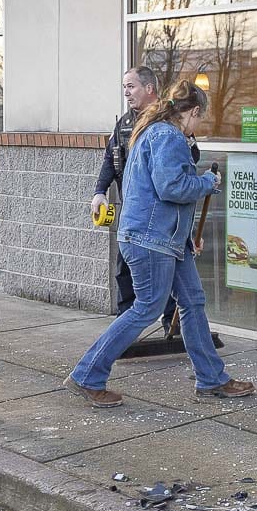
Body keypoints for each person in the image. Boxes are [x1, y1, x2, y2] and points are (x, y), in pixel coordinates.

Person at [67, 81, 253, 406]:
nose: (199, 126)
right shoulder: (168, 135)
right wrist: (208, 182)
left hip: (166, 239)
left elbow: (162, 191)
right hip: (150, 239)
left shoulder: (153, 131)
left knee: (192, 302)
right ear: (193, 111)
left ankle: (211, 380)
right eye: (200, 119)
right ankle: (88, 375)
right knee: (147, 307)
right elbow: (171, 188)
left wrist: (185, 237)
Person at [92, 67, 204, 337]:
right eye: (124, 87)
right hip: (142, 218)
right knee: (135, 285)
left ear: (150, 88)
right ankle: (122, 333)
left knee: (184, 296)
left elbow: (182, 172)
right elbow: (112, 158)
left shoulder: (166, 127)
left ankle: (174, 330)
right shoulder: (129, 125)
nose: (126, 93)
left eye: (131, 86)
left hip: (161, 222)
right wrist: (99, 191)